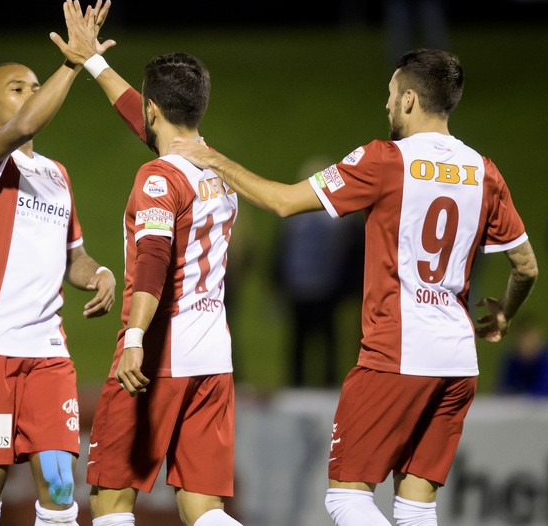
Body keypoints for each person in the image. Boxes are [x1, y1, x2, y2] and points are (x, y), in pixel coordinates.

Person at [169, 48, 538, 526]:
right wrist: (505, 312)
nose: (385, 106)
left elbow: (282, 202)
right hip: (457, 361)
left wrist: (211, 158)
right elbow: (525, 266)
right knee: (415, 506)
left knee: (348, 497)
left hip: (396, 354)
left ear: (408, 99)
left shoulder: (384, 160)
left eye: (389, 95)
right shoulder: (485, 172)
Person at [0, 0, 117, 526]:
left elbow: (75, 257)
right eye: (18, 88)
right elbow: (21, 130)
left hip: (46, 352)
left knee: (62, 487)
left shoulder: (57, 174)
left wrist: (101, 274)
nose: (32, 93)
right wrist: (73, 62)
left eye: (35, 85)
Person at [69, 46, 242, 525]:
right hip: (213, 358)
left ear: (154, 109)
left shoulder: (157, 177)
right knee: (202, 506)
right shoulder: (219, 172)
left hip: (159, 355)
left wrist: (135, 339)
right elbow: (152, 126)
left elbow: (153, 260)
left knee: (111, 497)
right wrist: (94, 63)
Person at [272, 156, 363, 388]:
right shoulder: (339, 220)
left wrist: (279, 284)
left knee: (302, 343)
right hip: (324, 290)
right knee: (323, 342)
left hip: (303, 288)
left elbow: (281, 253)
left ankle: (299, 387)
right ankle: (325, 387)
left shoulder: (294, 220)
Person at [495, 315, 548, 397]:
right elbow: (503, 390)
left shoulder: (544, 362)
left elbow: (541, 392)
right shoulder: (512, 361)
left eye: (530, 340)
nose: (527, 345)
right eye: (523, 339)